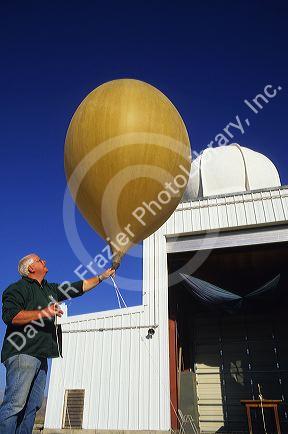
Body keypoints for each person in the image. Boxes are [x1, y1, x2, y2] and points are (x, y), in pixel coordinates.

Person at [0, 253, 115, 434]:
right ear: (31, 268)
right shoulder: (16, 289)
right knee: (15, 404)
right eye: (39, 260)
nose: (44, 261)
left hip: (41, 355)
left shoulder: (50, 289)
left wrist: (101, 277)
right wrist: (43, 312)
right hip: (22, 352)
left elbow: (78, 287)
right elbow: (11, 316)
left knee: (32, 407)